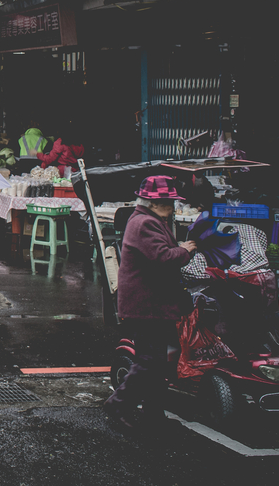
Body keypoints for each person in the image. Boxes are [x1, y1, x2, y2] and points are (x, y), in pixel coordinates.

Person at [104, 176, 196, 431]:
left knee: (157, 362)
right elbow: (163, 257)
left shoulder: (151, 220)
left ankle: (154, 412)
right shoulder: (144, 223)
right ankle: (118, 403)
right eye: (169, 202)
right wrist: (185, 250)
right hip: (146, 305)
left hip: (154, 303)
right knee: (148, 361)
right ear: (154, 203)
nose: (173, 206)